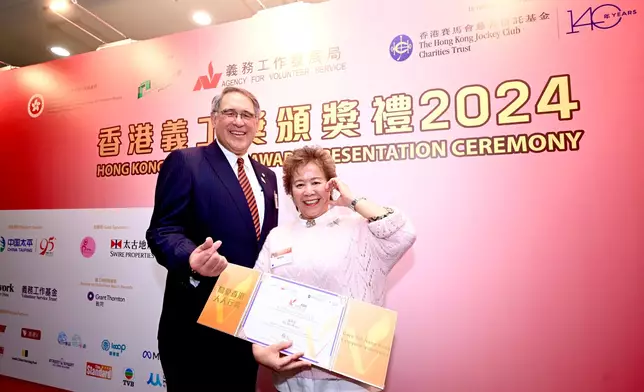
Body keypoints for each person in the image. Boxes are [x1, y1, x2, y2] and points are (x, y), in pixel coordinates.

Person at [146, 86, 280, 391]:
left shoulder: (266, 177)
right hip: (196, 326)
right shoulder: (186, 162)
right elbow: (162, 231)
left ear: (257, 123)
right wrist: (191, 257)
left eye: (247, 115)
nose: (239, 121)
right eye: (230, 113)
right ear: (214, 118)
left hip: (246, 325)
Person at [251, 146, 417, 391]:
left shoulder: (359, 227)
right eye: (299, 184)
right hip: (293, 373)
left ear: (331, 184)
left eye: (316, 182)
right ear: (290, 191)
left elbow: (403, 233)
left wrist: (352, 201)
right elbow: (257, 295)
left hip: (350, 373)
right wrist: (258, 351)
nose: (308, 191)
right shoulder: (278, 236)